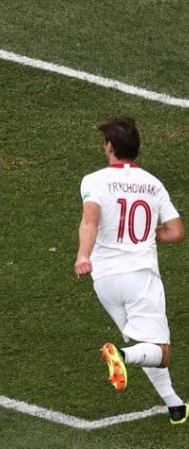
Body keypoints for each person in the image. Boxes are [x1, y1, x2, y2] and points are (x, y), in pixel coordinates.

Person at [74, 116, 186, 425]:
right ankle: (120, 356)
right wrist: (149, 233)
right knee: (160, 351)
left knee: (147, 344)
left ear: (110, 147)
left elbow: (90, 221)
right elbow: (176, 232)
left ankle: (174, 405)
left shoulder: (93, 180)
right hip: (140, 277)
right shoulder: (153, 183)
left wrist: (84, 255)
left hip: (105, 280)